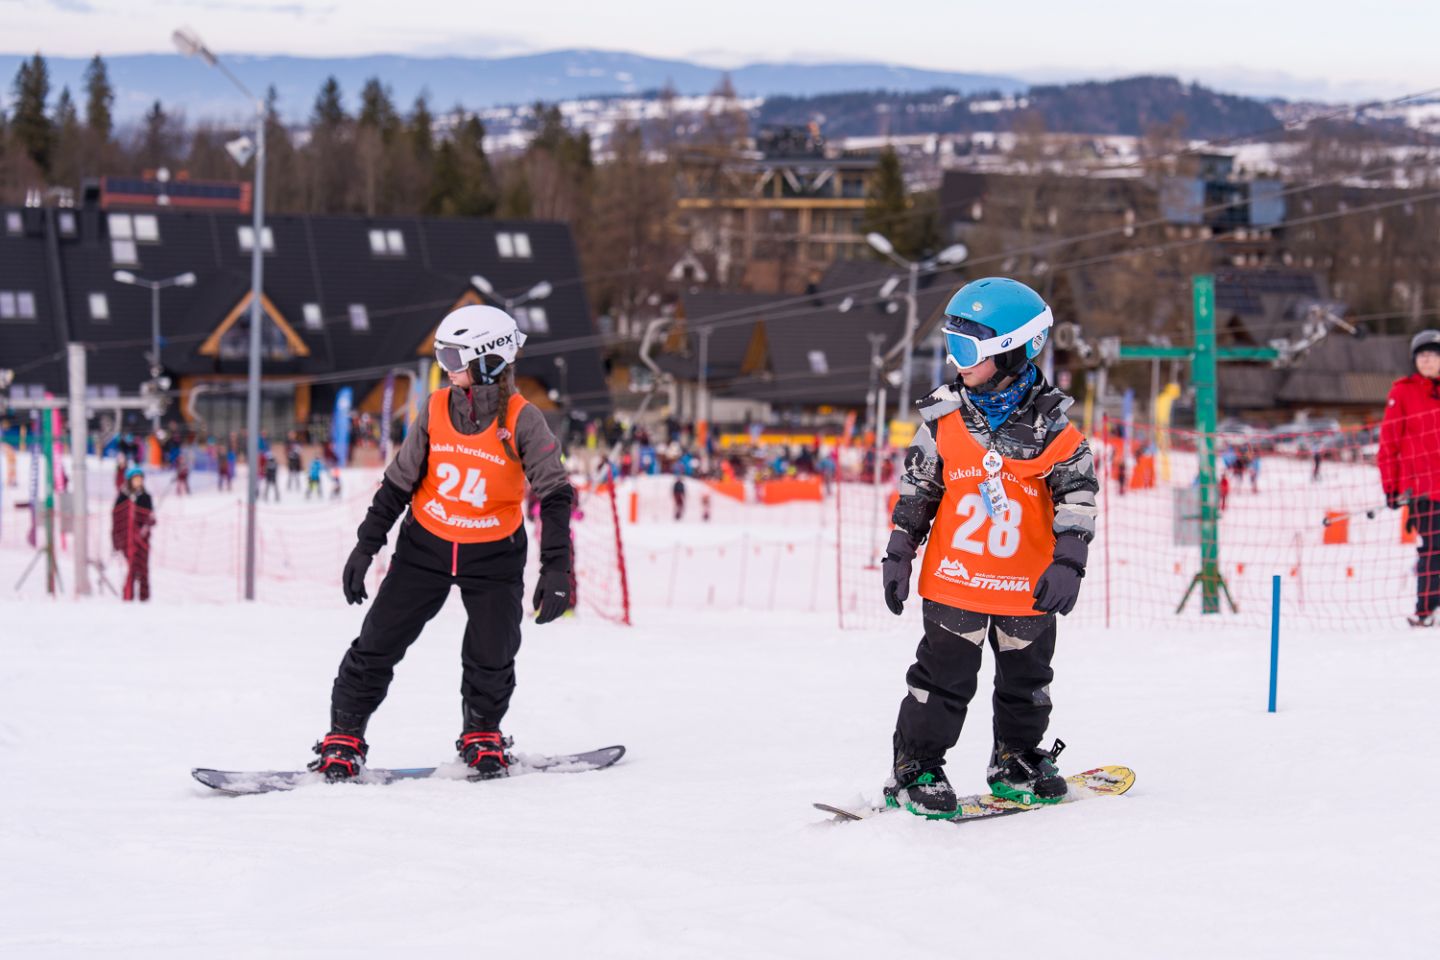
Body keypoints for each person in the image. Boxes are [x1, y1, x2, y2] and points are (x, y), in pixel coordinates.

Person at [311, 305, 576, 781]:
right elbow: (398, 482)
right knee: (377, 643)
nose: (446, 368)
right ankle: (344, 737)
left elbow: (554, 493)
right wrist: (367, 546)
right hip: (425, 550)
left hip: (493, 555)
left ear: (489, 361)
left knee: (492, 653)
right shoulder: (435, 408)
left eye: (454, 358)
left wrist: (557, 568)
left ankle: (482, 732)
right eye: (442, 356)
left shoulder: (523, 419)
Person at [880, 277, 1099, 818]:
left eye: (967, 348)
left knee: (1028, 683)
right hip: (956, 580)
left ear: (1013, 350)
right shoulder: (943, 421)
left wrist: (1070, 561)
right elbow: (919, 490)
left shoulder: (1055, 432)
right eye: (950, 345)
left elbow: (1077, 497)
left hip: (1026, 587)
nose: (955, 361)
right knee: (941, 681)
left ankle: (1015, 758)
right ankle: (917, 766)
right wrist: (900, 550)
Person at [1379, 329, 1440, 626]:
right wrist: (1390, 487)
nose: (1427, 360)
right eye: (1422, 355)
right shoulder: (1403, 392)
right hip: (1424, 490)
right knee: (1434, 549)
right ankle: (1426, 609)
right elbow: (1389, 443)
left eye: (1433, 355)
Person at [112, 466, 156, 602]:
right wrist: (116, 540)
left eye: (140, 479)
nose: (138, 482)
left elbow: (151, 516)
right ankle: (128, 597)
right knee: (132, 567)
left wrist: (147, 526)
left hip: (142, 541)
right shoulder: (123, 497)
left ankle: (144, 598)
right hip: (127, 540)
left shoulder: (146, 497)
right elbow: (116, 519)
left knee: (143, 569)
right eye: (135, 479)